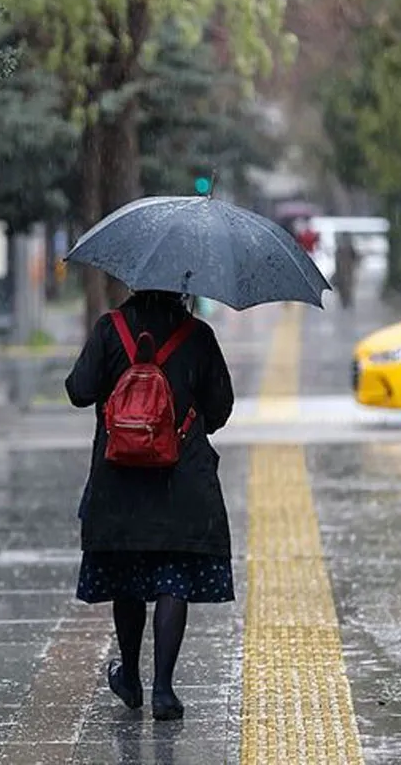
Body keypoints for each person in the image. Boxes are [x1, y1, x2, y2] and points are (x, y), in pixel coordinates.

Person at [65, 290, 235, 721]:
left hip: (119, 481)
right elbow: (220, 408)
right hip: (180, 480)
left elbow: (79, 391)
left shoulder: (111, 329)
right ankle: (163, 689)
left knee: (127, 578)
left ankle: (129, 678)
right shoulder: (197, 335)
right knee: (172, 579)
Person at [333, 233, 360, 309]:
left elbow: (355, 258)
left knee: (347, 286)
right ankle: (345, 301)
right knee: (344, 286)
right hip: (343, 271)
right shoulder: (341, 249)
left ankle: (347, 301)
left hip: (348, 271)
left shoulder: (346, 249)